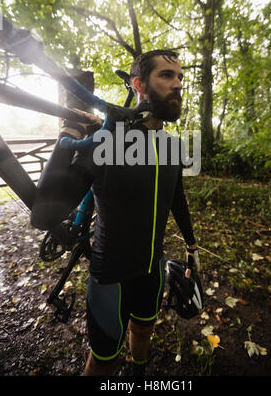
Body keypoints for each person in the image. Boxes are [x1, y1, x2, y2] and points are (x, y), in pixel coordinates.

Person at [31, 49, 200, 377]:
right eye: (166, 75)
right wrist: (70, 131)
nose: (178, 84)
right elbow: (45, 216)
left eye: (180, 77)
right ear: (139, 85)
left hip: (153, 271)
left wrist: (192, 246)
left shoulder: (173, 146)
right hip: (111, 279)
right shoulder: (105, 141)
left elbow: (176, 198)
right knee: (104, 359)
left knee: (142, 332)